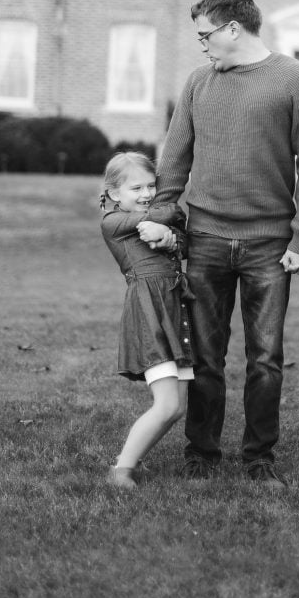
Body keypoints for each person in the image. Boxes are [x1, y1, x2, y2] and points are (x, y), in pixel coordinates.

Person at [154, 0, 299, 490]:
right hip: (205, 238)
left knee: (265, 359)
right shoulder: (197, 83)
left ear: (234, 28)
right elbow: (174, 158)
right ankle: (201, 454)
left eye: (206, 34)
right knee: (205, 357)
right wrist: (164, 216)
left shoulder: (297, 80)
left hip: (270, 245)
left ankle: (258, 458)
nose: (202, 44)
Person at [100, 151, 194, 490]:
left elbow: (182, 240)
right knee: (167, 403)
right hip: (149, 312)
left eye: (152, 186)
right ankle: (121, 469)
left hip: (173, 310)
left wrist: (170, 236)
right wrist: (165, 222)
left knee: (175, 407)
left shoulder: (151, 218)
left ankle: (132, 462)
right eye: (136, 187)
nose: (146, 194)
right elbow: (169, 211)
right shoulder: (113, 222)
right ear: (113, 194)